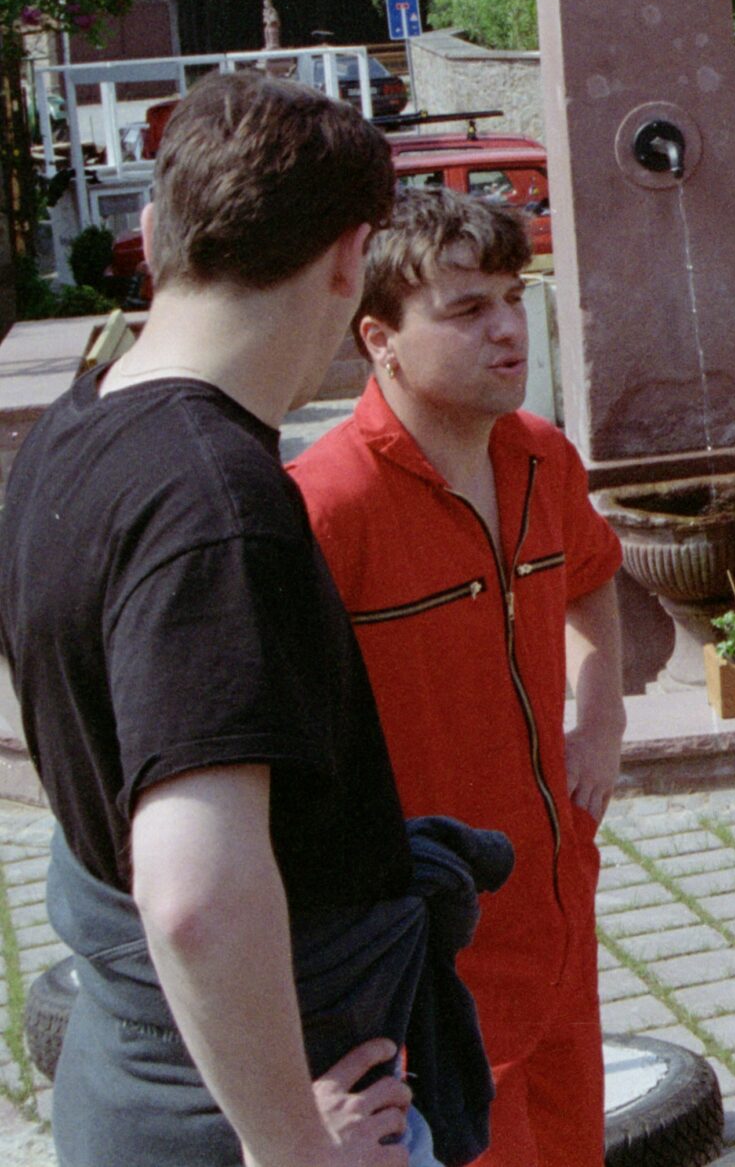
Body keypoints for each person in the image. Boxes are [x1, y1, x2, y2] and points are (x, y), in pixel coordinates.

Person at [0, 73, 425, 1167]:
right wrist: (294, 1148)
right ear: (349, 259)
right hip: (257, 1106)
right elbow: (192, 893)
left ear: (153, 232)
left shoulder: (70, 429)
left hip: (136, 1079)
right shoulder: (215, 505)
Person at [290, 188, 627, 1167]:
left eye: (514, 297)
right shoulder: (323, 506)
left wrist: (598, 721)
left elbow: (595, 585)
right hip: (423, 957)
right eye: (467, 309)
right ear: (378, 338)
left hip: (556, 912)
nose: (509, 329)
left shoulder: (540, 458)